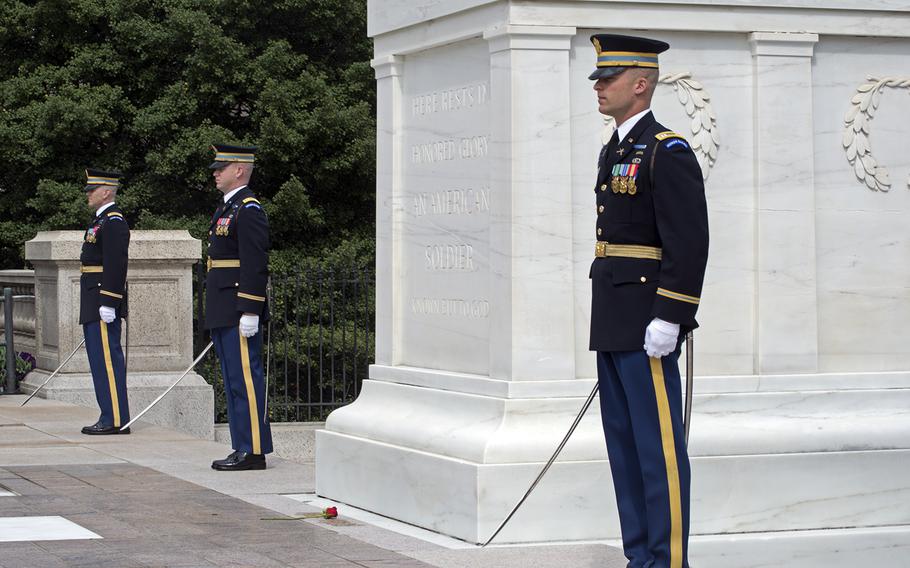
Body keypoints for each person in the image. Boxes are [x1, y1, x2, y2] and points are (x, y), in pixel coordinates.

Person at [588, 34, 709, 568]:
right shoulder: (613, 149)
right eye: (598, 79)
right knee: (626, 452)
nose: (599, 87)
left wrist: (671, 315)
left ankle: (668, 561)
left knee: (659, 454)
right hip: (614, 317)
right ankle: (641, 558)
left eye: (608, 79)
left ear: (640, 84)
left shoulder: (667, 150)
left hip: (647, 323)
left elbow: (689, 241)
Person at [205, 144, 273, 471]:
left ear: (240, 170)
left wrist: (250, 309)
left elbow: (255, 262)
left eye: (222, 167)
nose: (215, 173)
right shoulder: (227, 208)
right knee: (233, 381)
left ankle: (253, 450)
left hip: (237, 306)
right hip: (223, 304)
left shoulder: (248, 209)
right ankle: (241, 445)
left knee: (246, 379)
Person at [79, 169, 131, 435]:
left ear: (107, 191)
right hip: (92, 295)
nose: (88, 193)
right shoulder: (99, 220)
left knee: (107, 360)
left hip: (101, 296)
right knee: (99, 361)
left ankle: (115, 418)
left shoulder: (113, 221)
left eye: (93, 189)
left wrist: (109, 301)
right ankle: (109, 414)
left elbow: (116, 263)